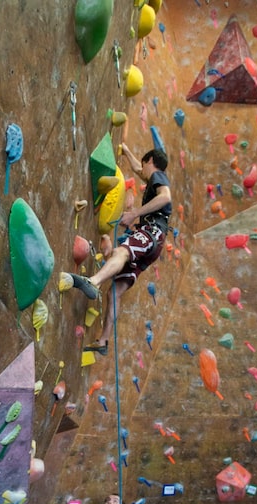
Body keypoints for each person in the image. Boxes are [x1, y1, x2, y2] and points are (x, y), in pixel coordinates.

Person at [60, 143, 172, 356]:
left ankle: (93, 281)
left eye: (145, 163)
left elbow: (165, 197)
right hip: (155, 244)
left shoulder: (159, 177)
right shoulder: (152, 179)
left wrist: (134, 213)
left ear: (151, 162)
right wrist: (126, 150)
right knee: (115, 292)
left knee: (121, 252)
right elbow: (138, 170)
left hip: (152, 231)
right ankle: (103, 341)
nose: (142, 170)